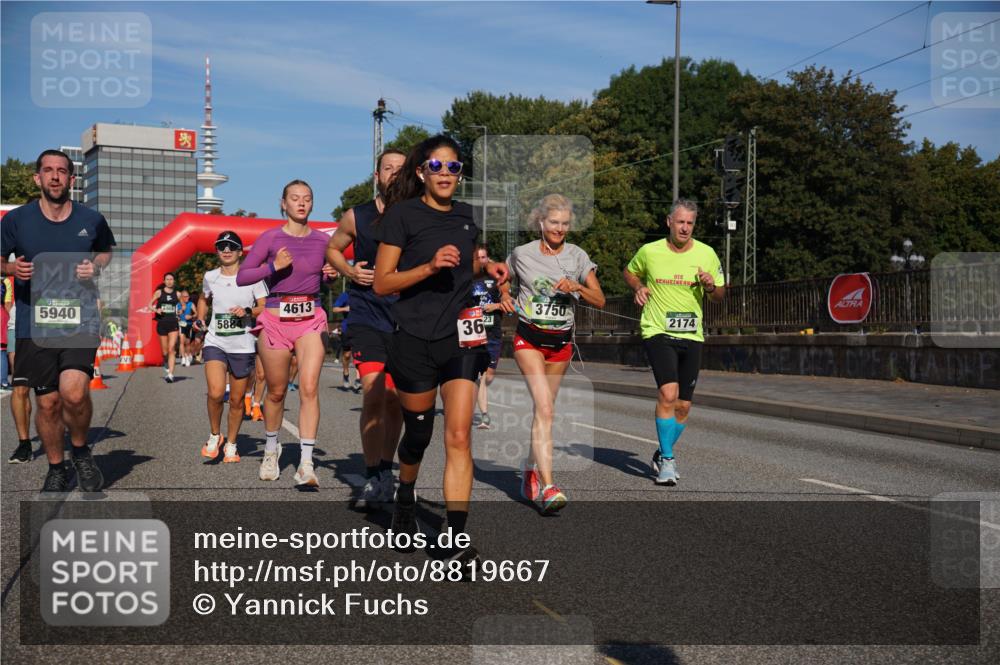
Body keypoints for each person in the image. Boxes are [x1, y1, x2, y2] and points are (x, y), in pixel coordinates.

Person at [373, 135, 508, 564]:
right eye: (437, 166)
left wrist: (485, 266)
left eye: (454, 167)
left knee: (459, 435)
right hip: (413, 336)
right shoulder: (401, 216)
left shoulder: (468, 218)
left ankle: (455, 538)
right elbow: (382, 282)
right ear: (421, 172)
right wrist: (428, 266)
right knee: (418, 435)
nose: (445, 174)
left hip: (460, 337)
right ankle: (406, 496)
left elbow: (463, 268)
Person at [1, 149, 116, 491]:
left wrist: (95, 265)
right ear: (37, 178)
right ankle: (56, 467)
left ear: (71, 179)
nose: (55, 176)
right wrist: (9, 268)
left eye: (61, 171)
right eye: (48, 171)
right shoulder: (16, 220)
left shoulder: (91, 219)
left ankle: (79, 450)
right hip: (33, 322)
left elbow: (106, 251)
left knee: (74, 392)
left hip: (79, 318)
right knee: (48, 402)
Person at [505, 193, 605, 512]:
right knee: (546, 409)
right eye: (553, 223)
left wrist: (577, 287)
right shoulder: (522, 254)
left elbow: (600, 300)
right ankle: (548, 487)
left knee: (544, 413)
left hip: (560, 345)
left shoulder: (577, 256)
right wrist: (505, 295)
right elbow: (499, 281)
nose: (559, 229)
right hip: (529, 341)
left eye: (564, 224)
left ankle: (530, 470)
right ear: (540, 223)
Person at [623, 199, 725, 485]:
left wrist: (709, 285)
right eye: (680, 222)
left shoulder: (707, 254)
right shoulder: (650, 251)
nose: (685, 228)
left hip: (692, 334)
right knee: (668, 394)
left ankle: (661, 452)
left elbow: (719, 295)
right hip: (657, 330)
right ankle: (668, 461)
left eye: (690, 223)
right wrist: (639, 287)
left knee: (683, 406)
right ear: (668, 222)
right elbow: (629, 271)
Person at [237, 179, 331, 487]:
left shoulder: (321, 241)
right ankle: (271, 448)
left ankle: (306, 463)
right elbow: (243, 276)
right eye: (295, 198)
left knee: (309, 387)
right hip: (276, 320)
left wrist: (329, 277)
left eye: (307, 198)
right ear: (283, 204)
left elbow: (322, 277)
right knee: (276, 391)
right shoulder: (270, 238)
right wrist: (272, 267)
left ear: (312, 204)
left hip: (310, 318)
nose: (301, 203)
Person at [326, 148, 405, 508]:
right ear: (377, 175)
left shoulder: (417, 215)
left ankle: (386, 469)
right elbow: (332, 250)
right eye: (388, 168)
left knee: (396, 402)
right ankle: (373, 475)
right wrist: (350, 271)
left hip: (406, 319)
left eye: (401, 169)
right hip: (368, 315)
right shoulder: (357, 216)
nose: (394, 173)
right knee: (374, 395)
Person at [195, 231, 268, 463]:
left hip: (242, 344)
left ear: (239, 252)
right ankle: (215, 435)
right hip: (216, 341)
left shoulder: (253, 278)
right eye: (221, 246)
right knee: (216, 392)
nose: (225, 250)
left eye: (231, 246)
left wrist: (247, 311)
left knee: (237, 401)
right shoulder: (210, 276)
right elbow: (203, 299)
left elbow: (264, 306)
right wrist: (200, 317)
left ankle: (232, 445)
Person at [471, 245, 508, 430]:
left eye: (484, 257)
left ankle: (474, 394)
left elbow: (512, 304)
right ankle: (484, 415)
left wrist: (495, 307)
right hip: (474, 333)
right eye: (478, 257)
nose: (482, 261)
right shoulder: (468, 279)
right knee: (481, 376)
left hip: (493, 332)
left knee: (489, 376)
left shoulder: (497, 280)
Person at [150, 272, 180, 382]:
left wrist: (181, 310)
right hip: (162, 323)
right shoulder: (159, 293)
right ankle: (166, 361)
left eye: (171, 279)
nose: (169, 281)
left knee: (172, 348)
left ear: (174, 281)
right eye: (167, 279)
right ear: (164, 281)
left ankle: (171, 374)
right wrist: (156, 310)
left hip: (173, 323)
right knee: (165, 351)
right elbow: (149, 305)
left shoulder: (178, 294)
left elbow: (182, 306)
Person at [330, 290, 357, 391]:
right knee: (347, 355)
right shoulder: (346, 295)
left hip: (362, 328)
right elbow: (334, 309)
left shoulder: (367, 295)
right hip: (347, 328)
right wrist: (346, 308)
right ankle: (346, 373)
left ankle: (358, 379)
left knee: (360, 354)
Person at [177, 289, 196, 366]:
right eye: (186, 296)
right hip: (181, 324)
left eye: (188, 296)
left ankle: (188, 356)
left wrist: (191, 316)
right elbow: (176, 314)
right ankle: (183, 358)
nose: (188, 298)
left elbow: (196, 313)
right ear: (182, 297)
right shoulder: (178, 305)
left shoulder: (191, 304)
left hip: (189, 325)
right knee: (181, 341)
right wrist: (178, 314)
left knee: (187, 343)